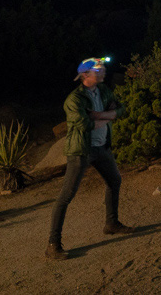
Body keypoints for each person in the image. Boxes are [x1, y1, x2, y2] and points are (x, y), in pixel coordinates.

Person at [46, 57, 135, 260]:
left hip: (102, 147)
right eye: (97, 69)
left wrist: (99, 115)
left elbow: (120, 109)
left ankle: (111, 224)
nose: (102, 71)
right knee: (66, 196)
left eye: (102, 68)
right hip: (82, 151)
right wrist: (106, 116)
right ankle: (53, 245)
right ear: (85, 75)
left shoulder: (103, 91)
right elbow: (85, 125)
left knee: (114, 180)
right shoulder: (74, 100)